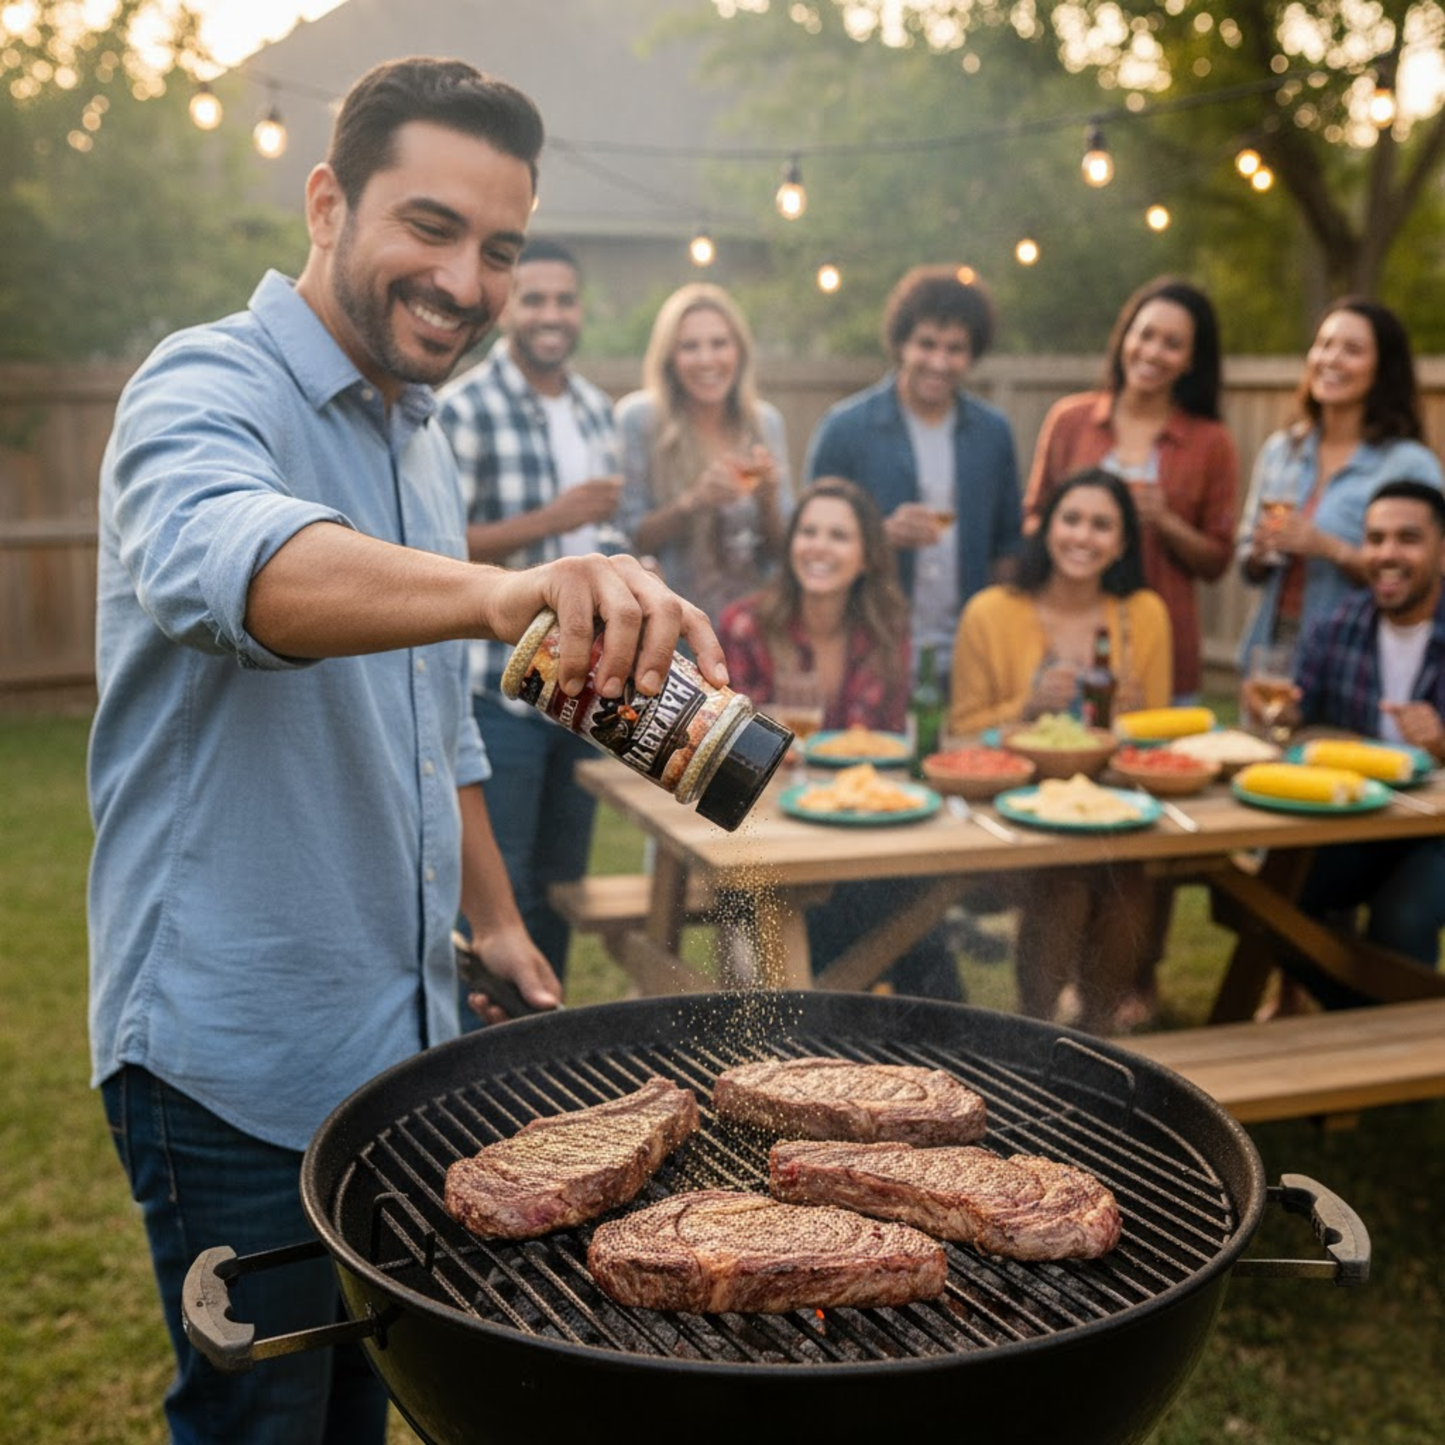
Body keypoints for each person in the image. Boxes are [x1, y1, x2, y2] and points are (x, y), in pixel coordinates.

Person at [87, 58, 724, 1445]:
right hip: (230, 1052)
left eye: (498, 248)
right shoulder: (203, 384)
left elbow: (438, 728)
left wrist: (492, 922)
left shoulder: (419, 440)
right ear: (327, 201)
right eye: (429, 228)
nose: (467, 280)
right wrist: (509, 589)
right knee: (263, 1419)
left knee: (371, 1393)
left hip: (399, 1044)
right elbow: (236, 572)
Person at [438, 237, 621, 1006]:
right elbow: (435, 549)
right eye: (535, 298)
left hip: (583, 689)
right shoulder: (462, 408)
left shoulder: (597, 410)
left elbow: (603, 541)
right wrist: (552, 518)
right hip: (498, 687)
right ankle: (481, 1044)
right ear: (509, 304)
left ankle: (542, 1040)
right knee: (497, 891)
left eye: (564, 300)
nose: (551, 314)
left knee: (558, 883)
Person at [719, 477, 961, 1000]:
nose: (819, 547)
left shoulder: (884, 628)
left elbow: (889, 742)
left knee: (918, 910)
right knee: (848, 921)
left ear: (868, 556)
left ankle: (913, 1035)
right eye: (808, 532)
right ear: (789, 545)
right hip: (768, 832)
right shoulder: (745, 626)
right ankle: (828, 1025)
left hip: (862, 833)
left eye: (838, 535)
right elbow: (726, 746)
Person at [950, 468, 1172, 1033]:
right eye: (1071, 519)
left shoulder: (1144, 615)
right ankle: (1036, 1030)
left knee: (1130, 878)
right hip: (1008, 811)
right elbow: (960, 732)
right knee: (1067, 880)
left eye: (1102, 525)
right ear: (1046, 528)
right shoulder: (991, 612)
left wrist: (1137, 716)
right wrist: (1024, 709)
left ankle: (1097, 1034)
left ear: (1122, 543)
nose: (1083, 536)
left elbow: (1157, 742)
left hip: (1111, 808)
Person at [1241, 480, 1445, 996]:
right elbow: (1298, 710)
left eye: (1407, 539)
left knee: (1400, 920)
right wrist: (1281, 712)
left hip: (1437, 834)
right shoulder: (1337, 625)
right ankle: (1358, 1028)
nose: (1386, 554)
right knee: (1273, 903)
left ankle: (1396, 1053)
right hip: (1357, 820)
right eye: (1375, 539)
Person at [803, 264, 1021, 692]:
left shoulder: (993, 433)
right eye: (927, 344)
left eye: (955, 348)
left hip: (966, 656)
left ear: (972, 354)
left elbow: (1008, 547)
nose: (940, 361)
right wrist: (875, 535)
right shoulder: (846, 427)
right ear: (901, 343)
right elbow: (806, 544)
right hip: (868, 650)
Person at [1022, 277, 1238, 703]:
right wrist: (1076, 529)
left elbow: (1217, 560)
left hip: (1161, 645)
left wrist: (1165, 521)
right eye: (1145, 335)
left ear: (1192, 360)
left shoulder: (1211, 442)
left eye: (1172, 344)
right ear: (1125, 338)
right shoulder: (1070, 420)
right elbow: (1033, 519)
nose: (1152, 352)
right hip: (1066, 647)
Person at [1236, 296, 1443, 664]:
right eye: (1324, 344)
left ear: (1383, 368)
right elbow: (1248, 564)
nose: (1331, 359)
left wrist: (1328, 547)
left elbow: (1428, 574)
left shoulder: (1408, 465)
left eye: (1352, 349)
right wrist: (1259, 551)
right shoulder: (1282, 451)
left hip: (1355, 659)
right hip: (1271, 647)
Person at [615, 283, 791, 622]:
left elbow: (783, 552)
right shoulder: (640, 419)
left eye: (719, 343)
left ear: (739, 350)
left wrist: (767, 502)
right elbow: (628, 538)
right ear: (669, 357)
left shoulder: (764, 423)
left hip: (753, 631)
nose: (706, 359)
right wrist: (694, 501)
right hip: (670, 627)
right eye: (689, 347)